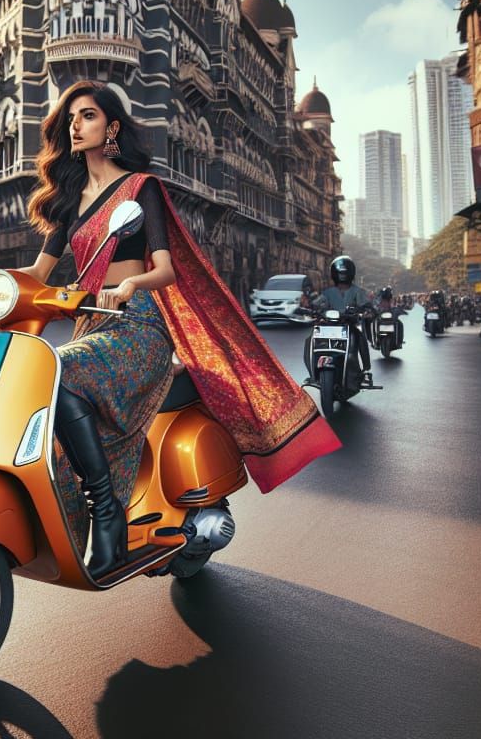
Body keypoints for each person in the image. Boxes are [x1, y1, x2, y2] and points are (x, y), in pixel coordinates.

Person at [21, 81, 341, 577]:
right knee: (31, 377)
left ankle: (105, 510)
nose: (75, 125)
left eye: (86, 115)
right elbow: (38, 276)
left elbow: (166, 269)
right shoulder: (67, 202)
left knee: (56, 369)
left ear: (112, 127)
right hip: (92, 327)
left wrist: (130, 287)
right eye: (70, 118)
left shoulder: (138, 188)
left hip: (139, 326)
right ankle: (80, 512)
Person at [303, 256, 373, 385]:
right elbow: (317, 303)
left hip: (349, 325)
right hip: (328, 326)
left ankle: (366, 371)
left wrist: (366, 310)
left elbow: (367, 305)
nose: (342, 276)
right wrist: (310, 307)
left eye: (344, 273)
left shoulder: (358, 291)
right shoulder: (328, 292)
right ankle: (312, 373)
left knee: (361, 338)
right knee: (309, 340)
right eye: (339, 273)